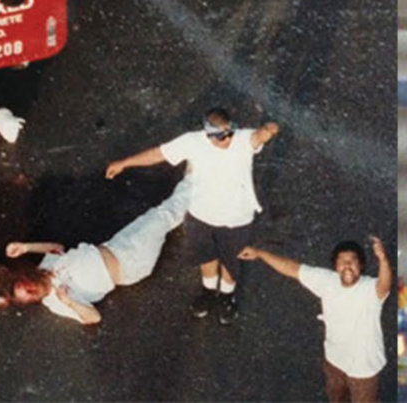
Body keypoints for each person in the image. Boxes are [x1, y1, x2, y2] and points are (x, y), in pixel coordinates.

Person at [105, 107, 279, 325]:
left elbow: (257, 137)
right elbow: (158, 154)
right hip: (201, 216)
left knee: (231, 263)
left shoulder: (243, 140)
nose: (227, 139)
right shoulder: (191, 142)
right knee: (205, 257)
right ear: (208, 134)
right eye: (220, 136)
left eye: (229, 132)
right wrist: (124, 163)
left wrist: (268, 130)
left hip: (237, 220)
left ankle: (226, 296)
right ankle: (208, 292)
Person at [0, 176, 192, 324]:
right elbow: (93, 318)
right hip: (131, 264)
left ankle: (194, 182)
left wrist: (26, 246)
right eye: (29, 295)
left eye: (26, 286)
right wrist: (69, 301)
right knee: (163, 216)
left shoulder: (45, 268)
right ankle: (198, 179)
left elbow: (56, 248)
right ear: (32, 301)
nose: (31, 290)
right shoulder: (56, 303)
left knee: (164, 215)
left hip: (116, 244)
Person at [238, 237, 391, 403]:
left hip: (364, 368)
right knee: (336, 397)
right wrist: (260, 253)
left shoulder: (370, 289)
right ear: (335, 266)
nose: (347, 266)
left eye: (352, 261)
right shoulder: (327, 281)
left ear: (361, 266)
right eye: (342, 261)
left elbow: (385, 285)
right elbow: (292, 268)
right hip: (334, 361)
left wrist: (382, 259)